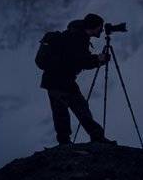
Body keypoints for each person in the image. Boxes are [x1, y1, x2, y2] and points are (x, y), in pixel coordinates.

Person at [40, 13, 117, 146]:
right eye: (99, 27)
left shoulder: (77, 34)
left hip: (58, 79)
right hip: (59, 80)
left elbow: (78, 60)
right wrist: (98, 59)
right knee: (74, 110)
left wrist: (96, 60)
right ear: (92, 27)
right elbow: (79, 61)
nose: (101, 30)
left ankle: (68, 142)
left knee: (67, 110)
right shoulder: (78, 38)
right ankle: (90, 138)